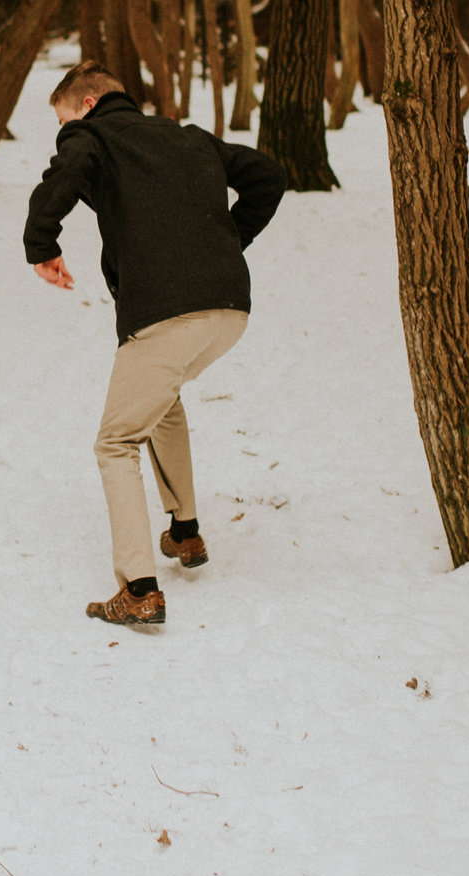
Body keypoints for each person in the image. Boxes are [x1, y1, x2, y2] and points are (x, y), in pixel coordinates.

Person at [23, 61, 286, 628]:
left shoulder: (91, 136)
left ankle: (139, 589)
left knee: (115, 442)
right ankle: (185, 534)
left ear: (87, 106)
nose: (64, 133)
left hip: (166, 315)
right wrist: (221, 246)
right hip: (228, 311)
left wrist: (41, 241)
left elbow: (65, 175)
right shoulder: (187, 137)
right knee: (163, 401)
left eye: (64, 120)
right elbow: (267, 174)